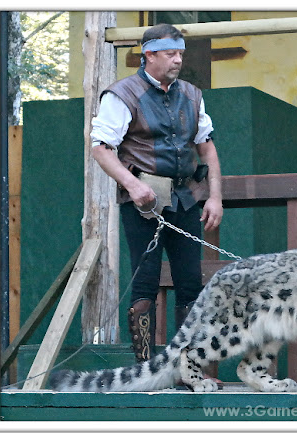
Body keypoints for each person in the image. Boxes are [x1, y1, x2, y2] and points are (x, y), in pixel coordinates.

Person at [90, 24, 223, 373]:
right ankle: (146, 373)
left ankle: (187, 370)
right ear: (149, 55)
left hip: (186, 199)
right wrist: (132, 186)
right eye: (170, 54)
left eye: (180, 53)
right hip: (144, 204)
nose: (178, 60)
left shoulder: (192, 95)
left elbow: (207, 149)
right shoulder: (122, 94)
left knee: (191, 286)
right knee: (145, 285)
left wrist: (215, 198)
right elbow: (102, 149)